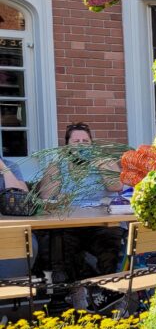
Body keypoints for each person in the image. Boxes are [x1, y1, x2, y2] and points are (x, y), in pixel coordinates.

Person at [36, 123, 126, 307]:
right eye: (76, 141)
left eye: (86, 141)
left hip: (101, 225)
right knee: (61, 247)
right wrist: (57, 171)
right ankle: (77, 293)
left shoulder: (104, 161)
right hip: (70, 224)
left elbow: (116, 187)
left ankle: (112, 295)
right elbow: (46, 197)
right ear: (67, 146)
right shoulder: (58, 166)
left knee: (110, 245)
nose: (81, 144)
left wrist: (103, 165)